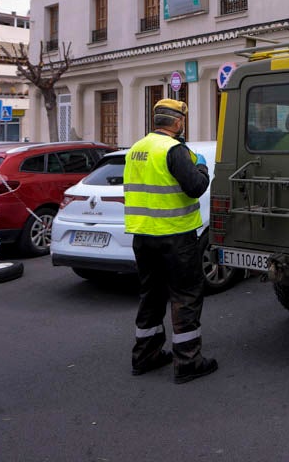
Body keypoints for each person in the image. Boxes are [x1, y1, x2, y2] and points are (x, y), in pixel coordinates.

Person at [123, 98, 216, 384]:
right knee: (185, 296)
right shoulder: (174, 151)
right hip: (174, 236)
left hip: (143, 236)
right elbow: (196, 188)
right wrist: (200, 167)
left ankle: (145, 355)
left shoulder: (135, 149)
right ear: (177, 122)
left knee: (151, 295)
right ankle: (188, 361)